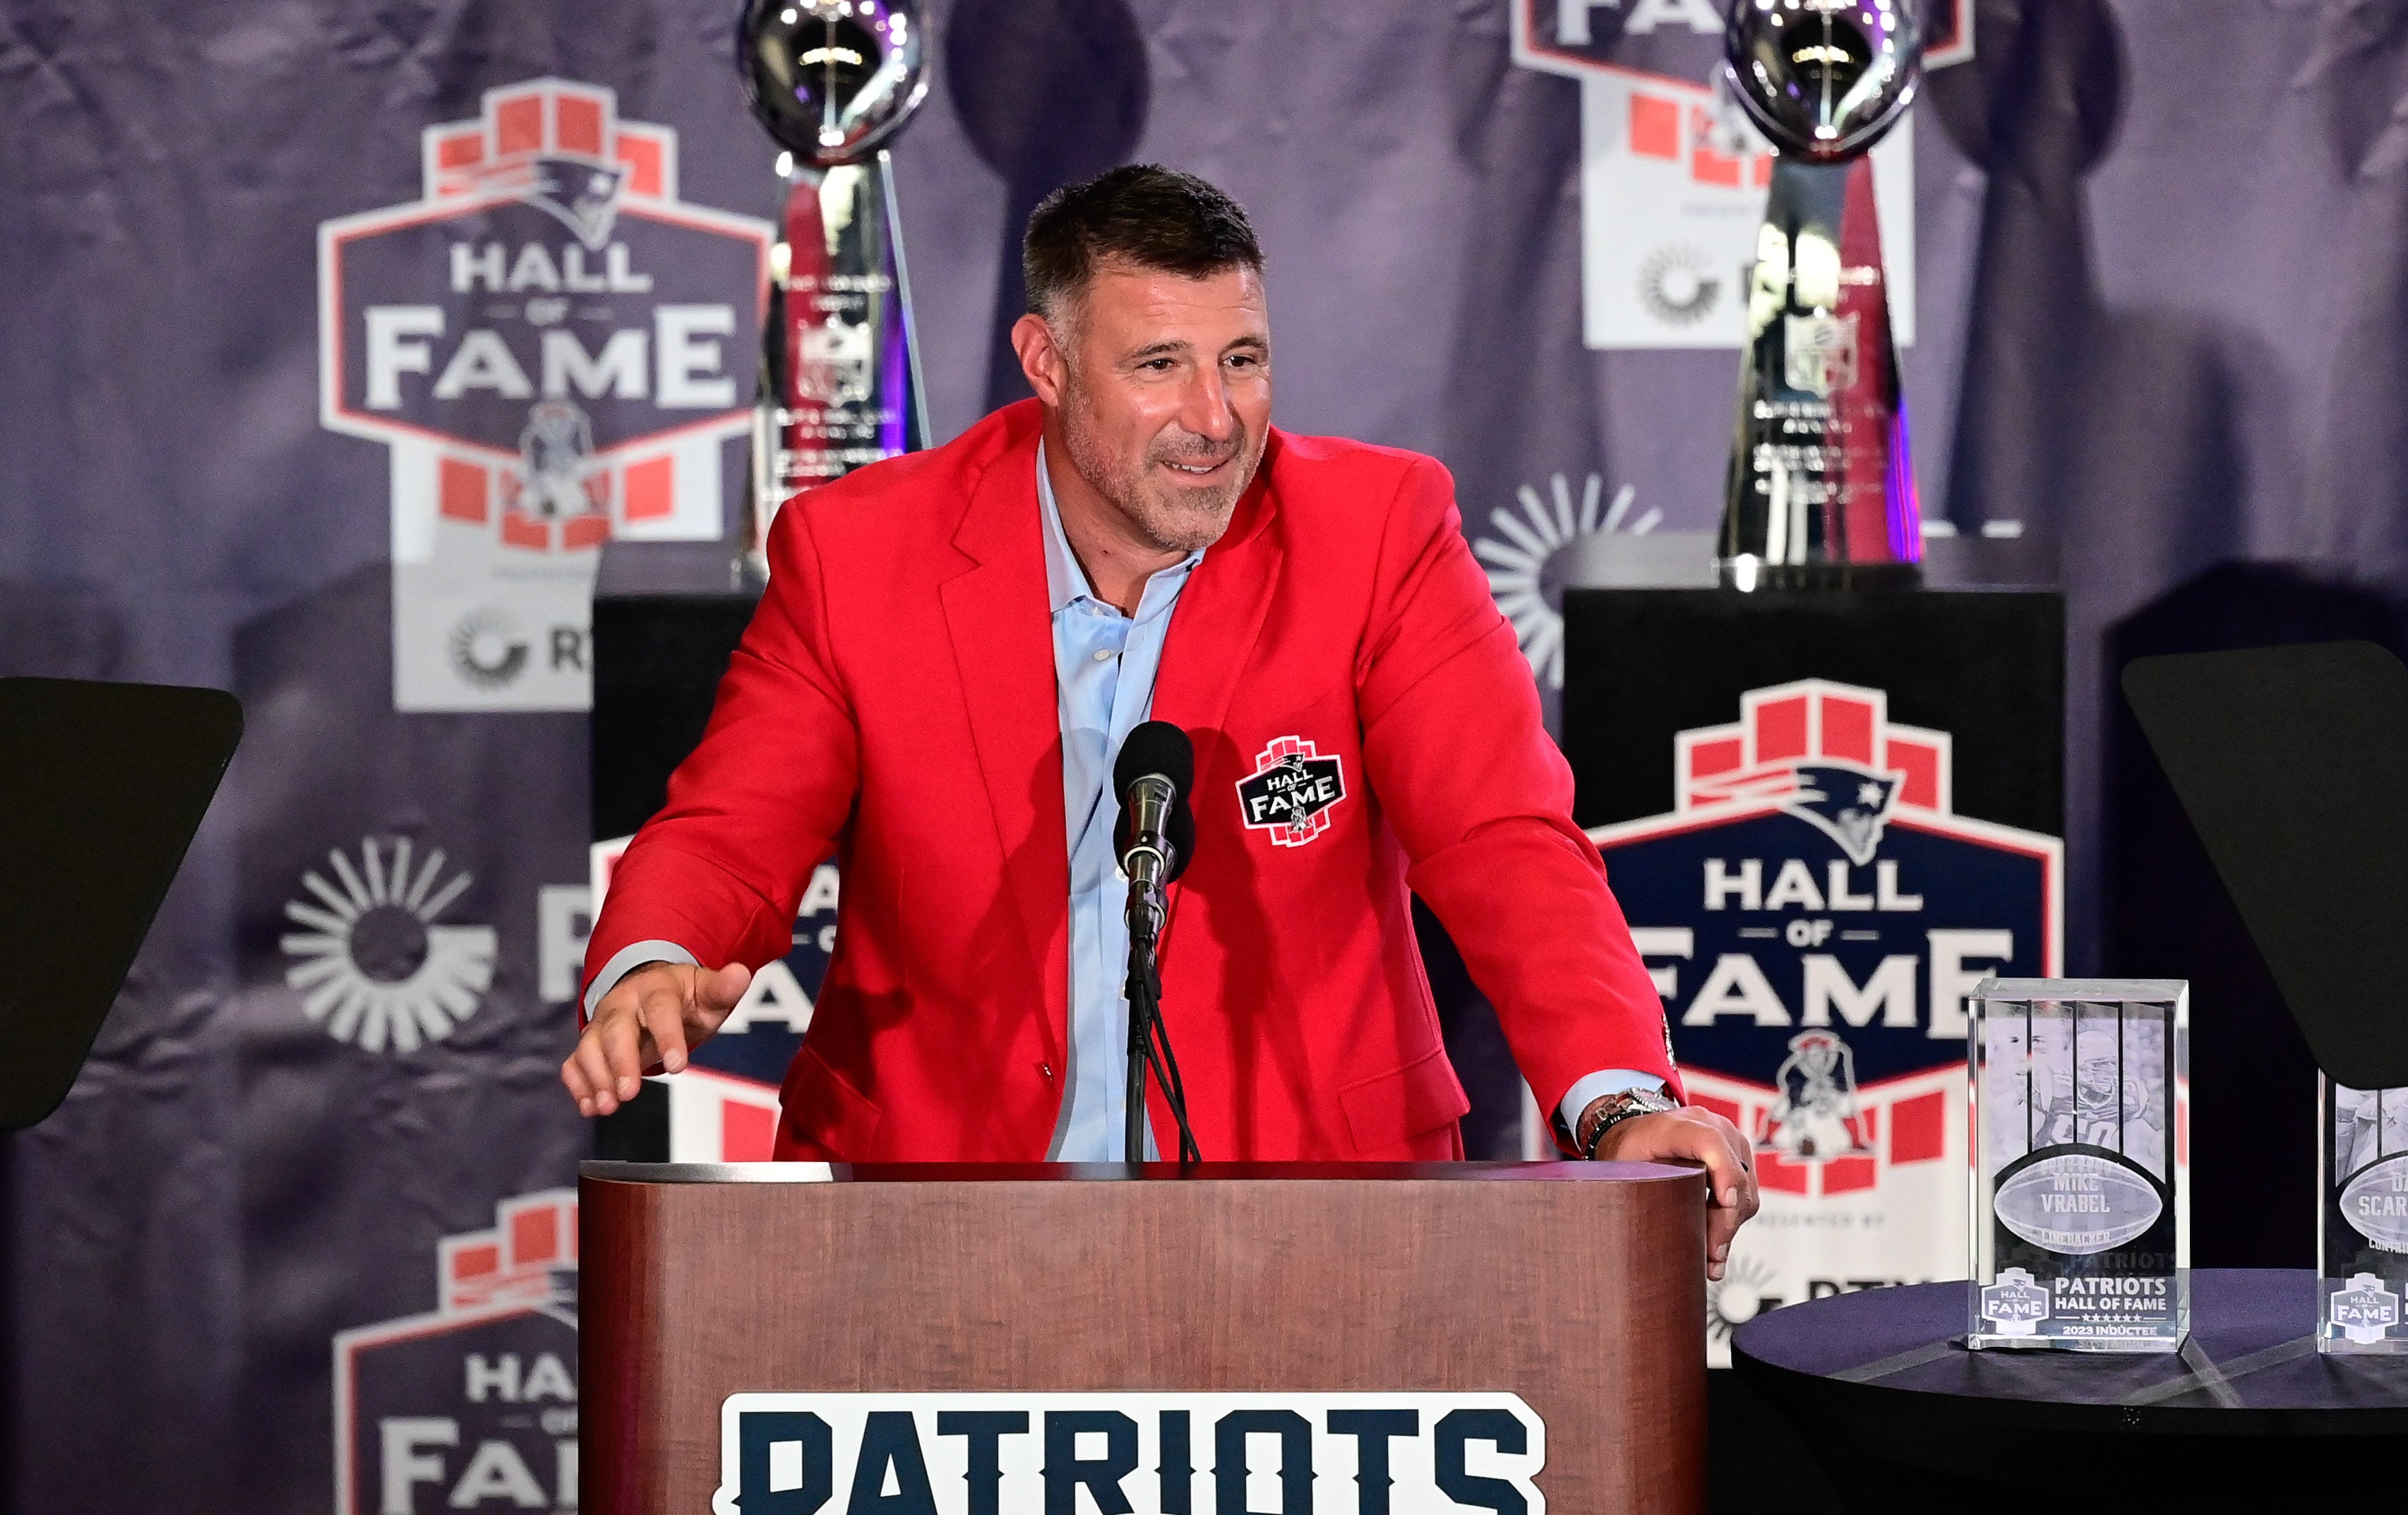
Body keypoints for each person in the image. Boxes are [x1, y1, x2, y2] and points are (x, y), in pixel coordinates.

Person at [563, 165, 1755, 1274]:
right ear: (1045, 361)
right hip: (929, 1213)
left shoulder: (1379, 532)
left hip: (1316, 1216)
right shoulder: (859, 550)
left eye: (1242, 359)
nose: (1216, 416)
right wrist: (655, 955)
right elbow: (732, 826)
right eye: (1159, 366)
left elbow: (1501, 839)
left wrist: (1616, 1100)